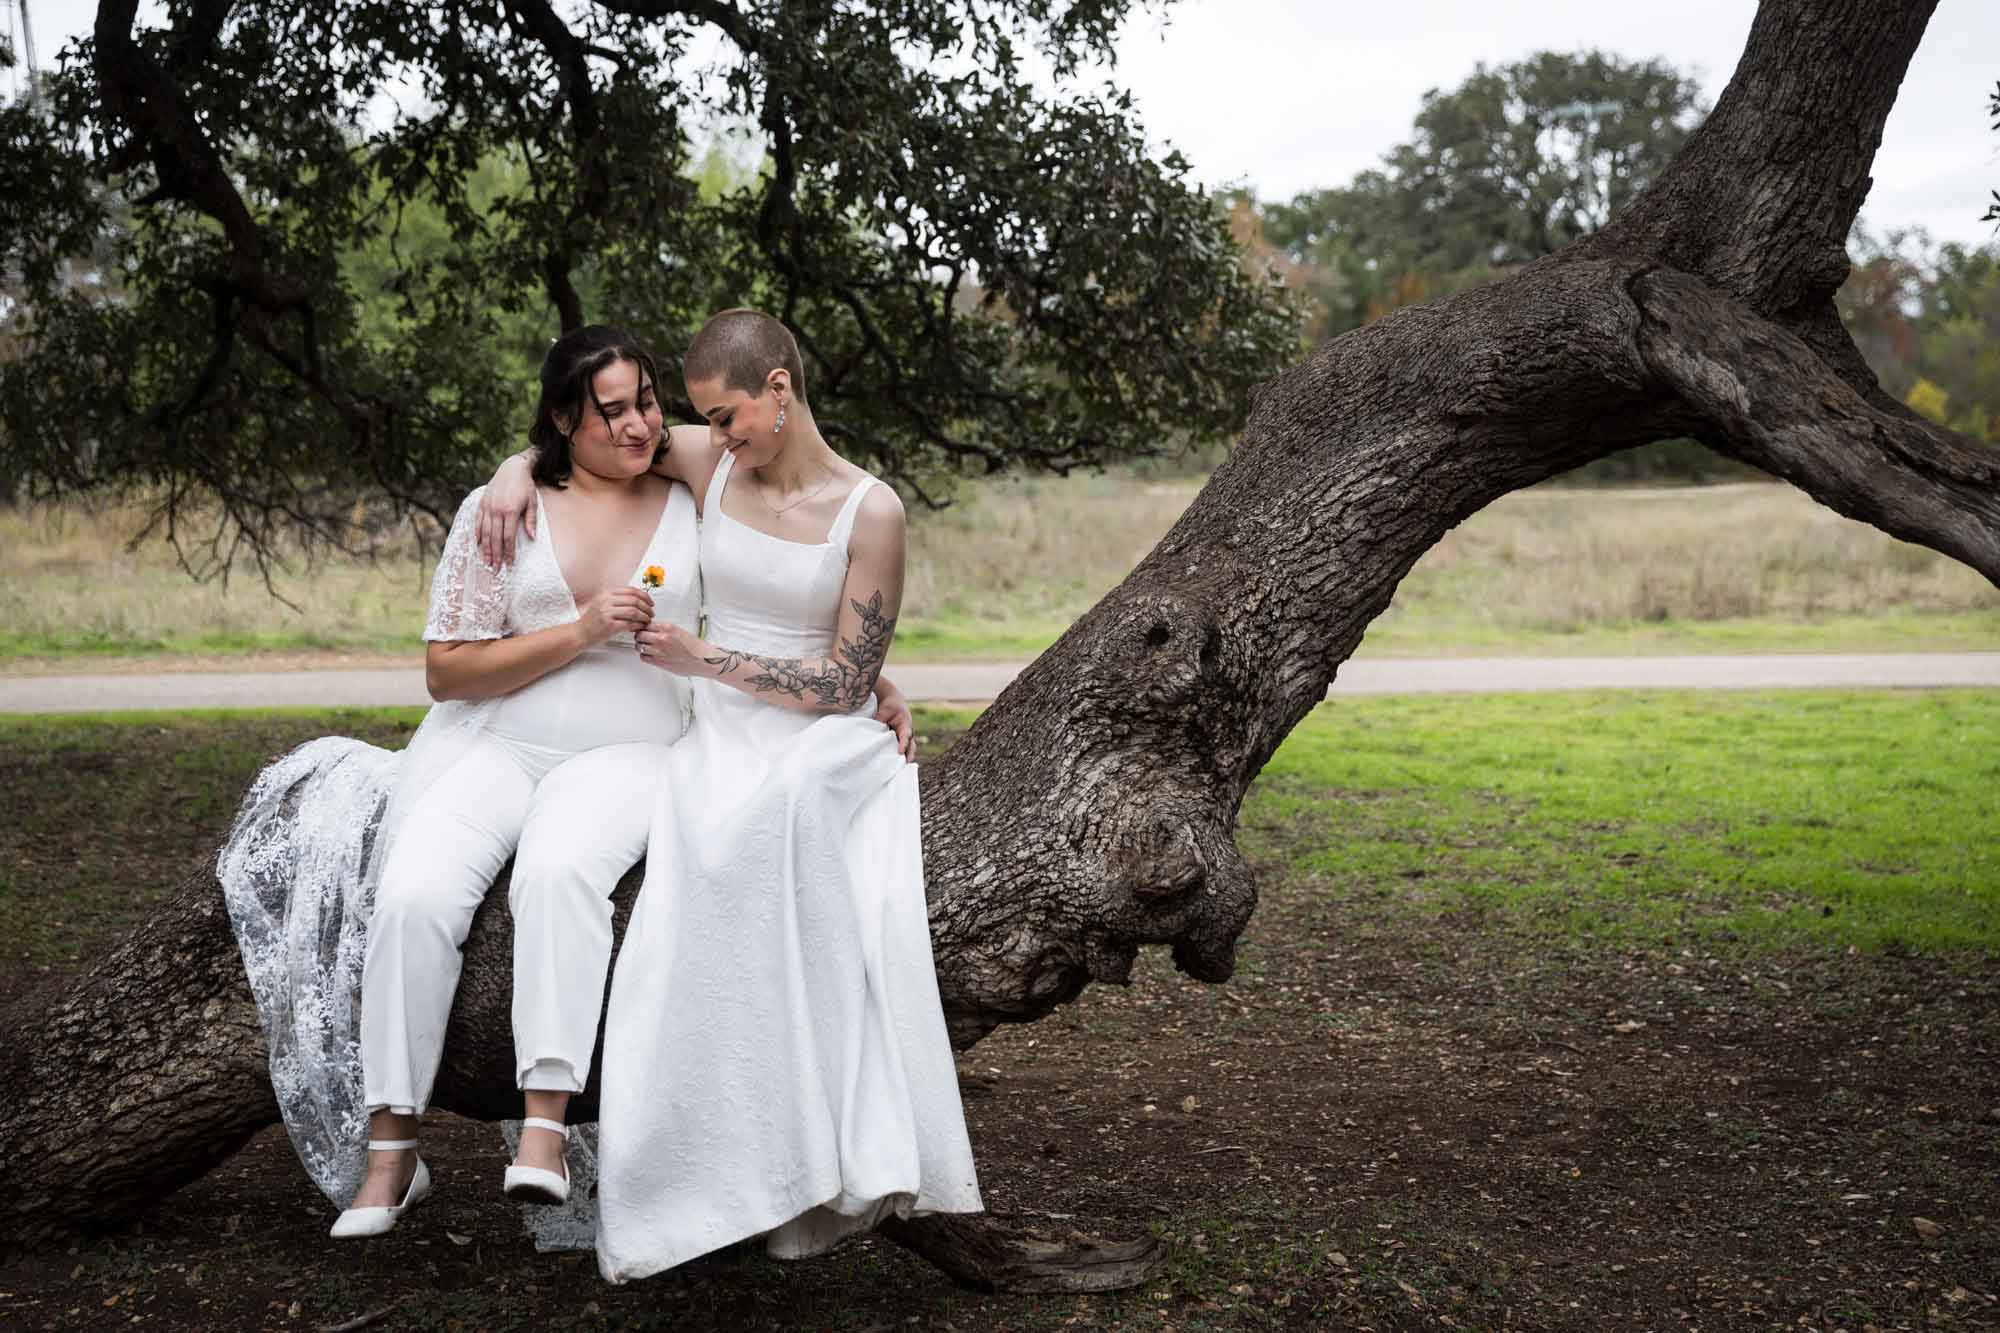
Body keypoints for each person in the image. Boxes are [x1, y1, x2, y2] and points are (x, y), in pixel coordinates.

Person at [218, 324, 920, 1240]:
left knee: (559, 874)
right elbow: (447, 666)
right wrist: (523, 486)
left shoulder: (695, 482)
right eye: (615, 410)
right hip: (497, 745)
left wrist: (871, 679)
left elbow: (789, 596)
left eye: (651, 405)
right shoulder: (538, 499)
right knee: (415, 891)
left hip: (635, 747)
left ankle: (544, 1126)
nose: (642, 426)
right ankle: (390, 1145)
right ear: (565, 418)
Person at [480, 309, 981, 1280]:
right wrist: (511, 471)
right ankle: (689, 1171)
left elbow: (840, 681)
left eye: (729, 413)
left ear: (780, 390)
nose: (717, 431)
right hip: (715, 728)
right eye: (705, 416)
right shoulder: (709, 461)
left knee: (781, 819)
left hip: (814, 732)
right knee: (689, 868)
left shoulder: (867, 511)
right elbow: (585, 437)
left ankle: (808, 1143)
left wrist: (707, 655)